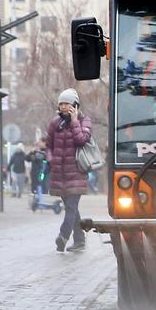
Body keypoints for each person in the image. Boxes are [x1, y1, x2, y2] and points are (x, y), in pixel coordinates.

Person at [46, 88, 93, 252]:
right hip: (59, 174)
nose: (64, 107)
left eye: (66, 103)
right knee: (72, 209)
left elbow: (82, 140)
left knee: (71, 207)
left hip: (77, 173)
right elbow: (49, 146)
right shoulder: (54, 123)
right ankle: (80, 240)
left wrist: (74, 121)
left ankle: (63, 236)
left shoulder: (84, 121)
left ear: (75, 104)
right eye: (61, 104)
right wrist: (52, 160)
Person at [28, 140, 49, 209]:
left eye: (37, 146)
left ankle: (43, 202)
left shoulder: (43, 153)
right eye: (35, 146)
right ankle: (35, 202)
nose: (36, 147)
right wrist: (31, 152)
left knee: (42, 185)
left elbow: (45, 162)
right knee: (34, 187)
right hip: (34, 173)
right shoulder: (34, 153)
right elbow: (27, 158)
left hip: (42, 173)